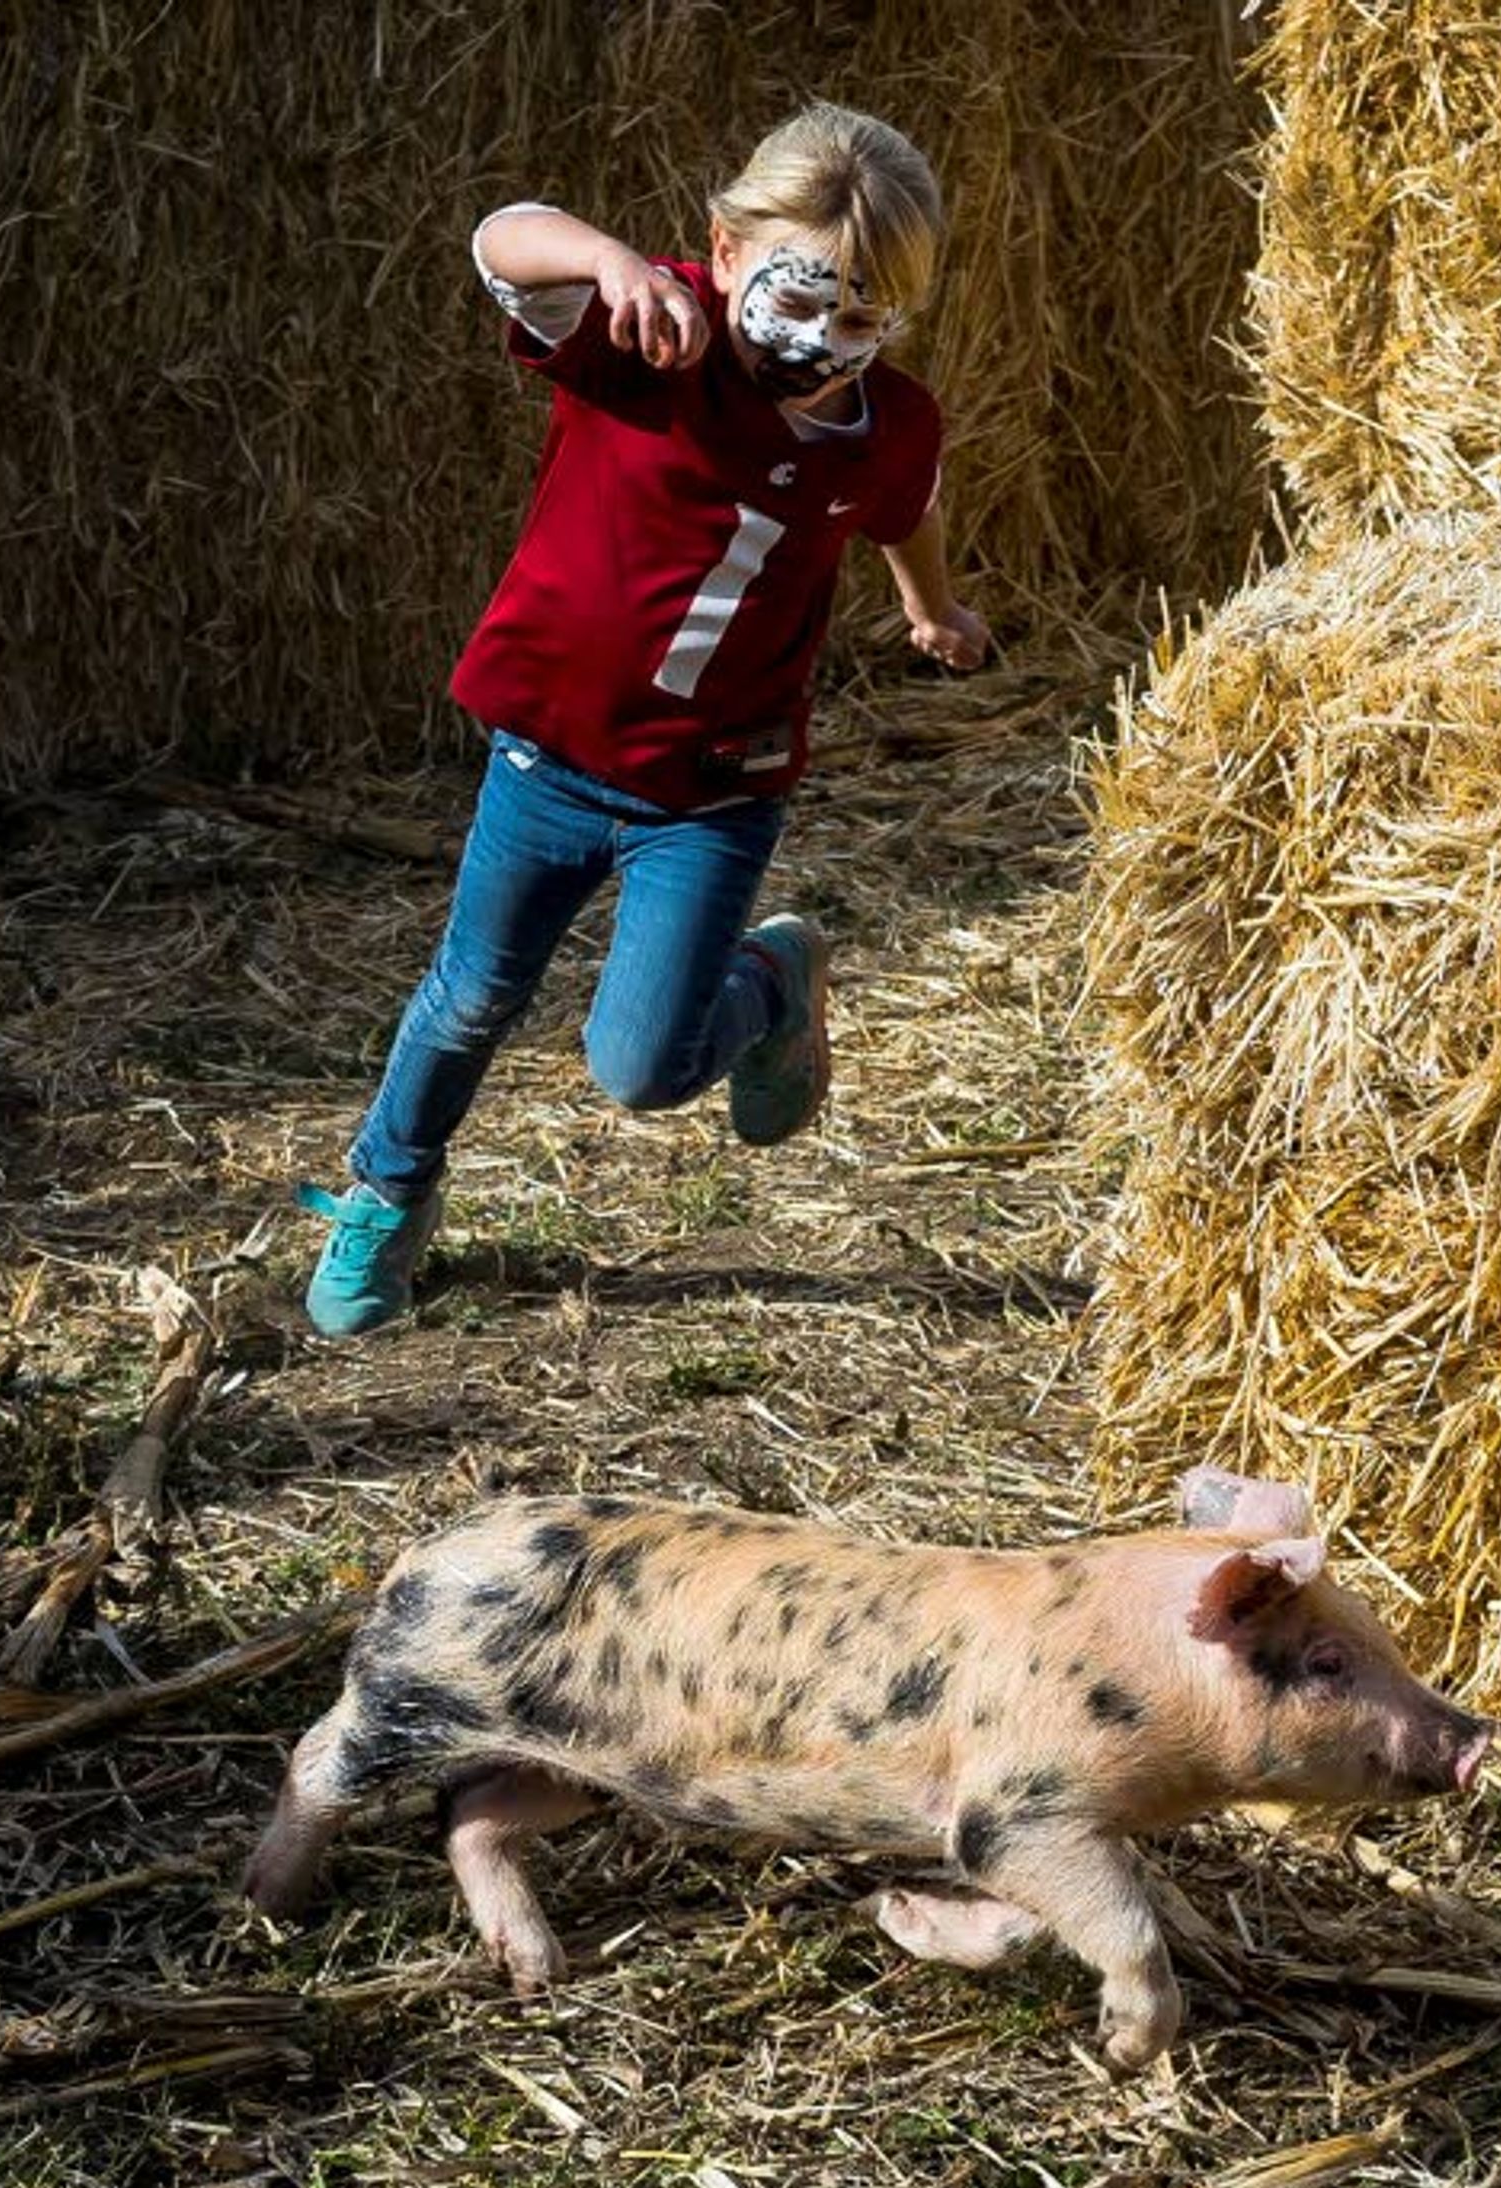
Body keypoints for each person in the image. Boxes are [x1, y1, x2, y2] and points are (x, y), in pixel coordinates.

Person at [298, 103, 993, 1338]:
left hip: (717, 787)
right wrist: (611, 260)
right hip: (550, 753)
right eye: (798, 301)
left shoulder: (886, 427)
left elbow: (907, 511)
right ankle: (387, 1192)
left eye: (860, 319)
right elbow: (500, 239)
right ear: (723, 254)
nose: (821, 343)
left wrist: (931, 608)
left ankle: (771, 981)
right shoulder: (643, 333)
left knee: (643, 1069)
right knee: (470, 996)